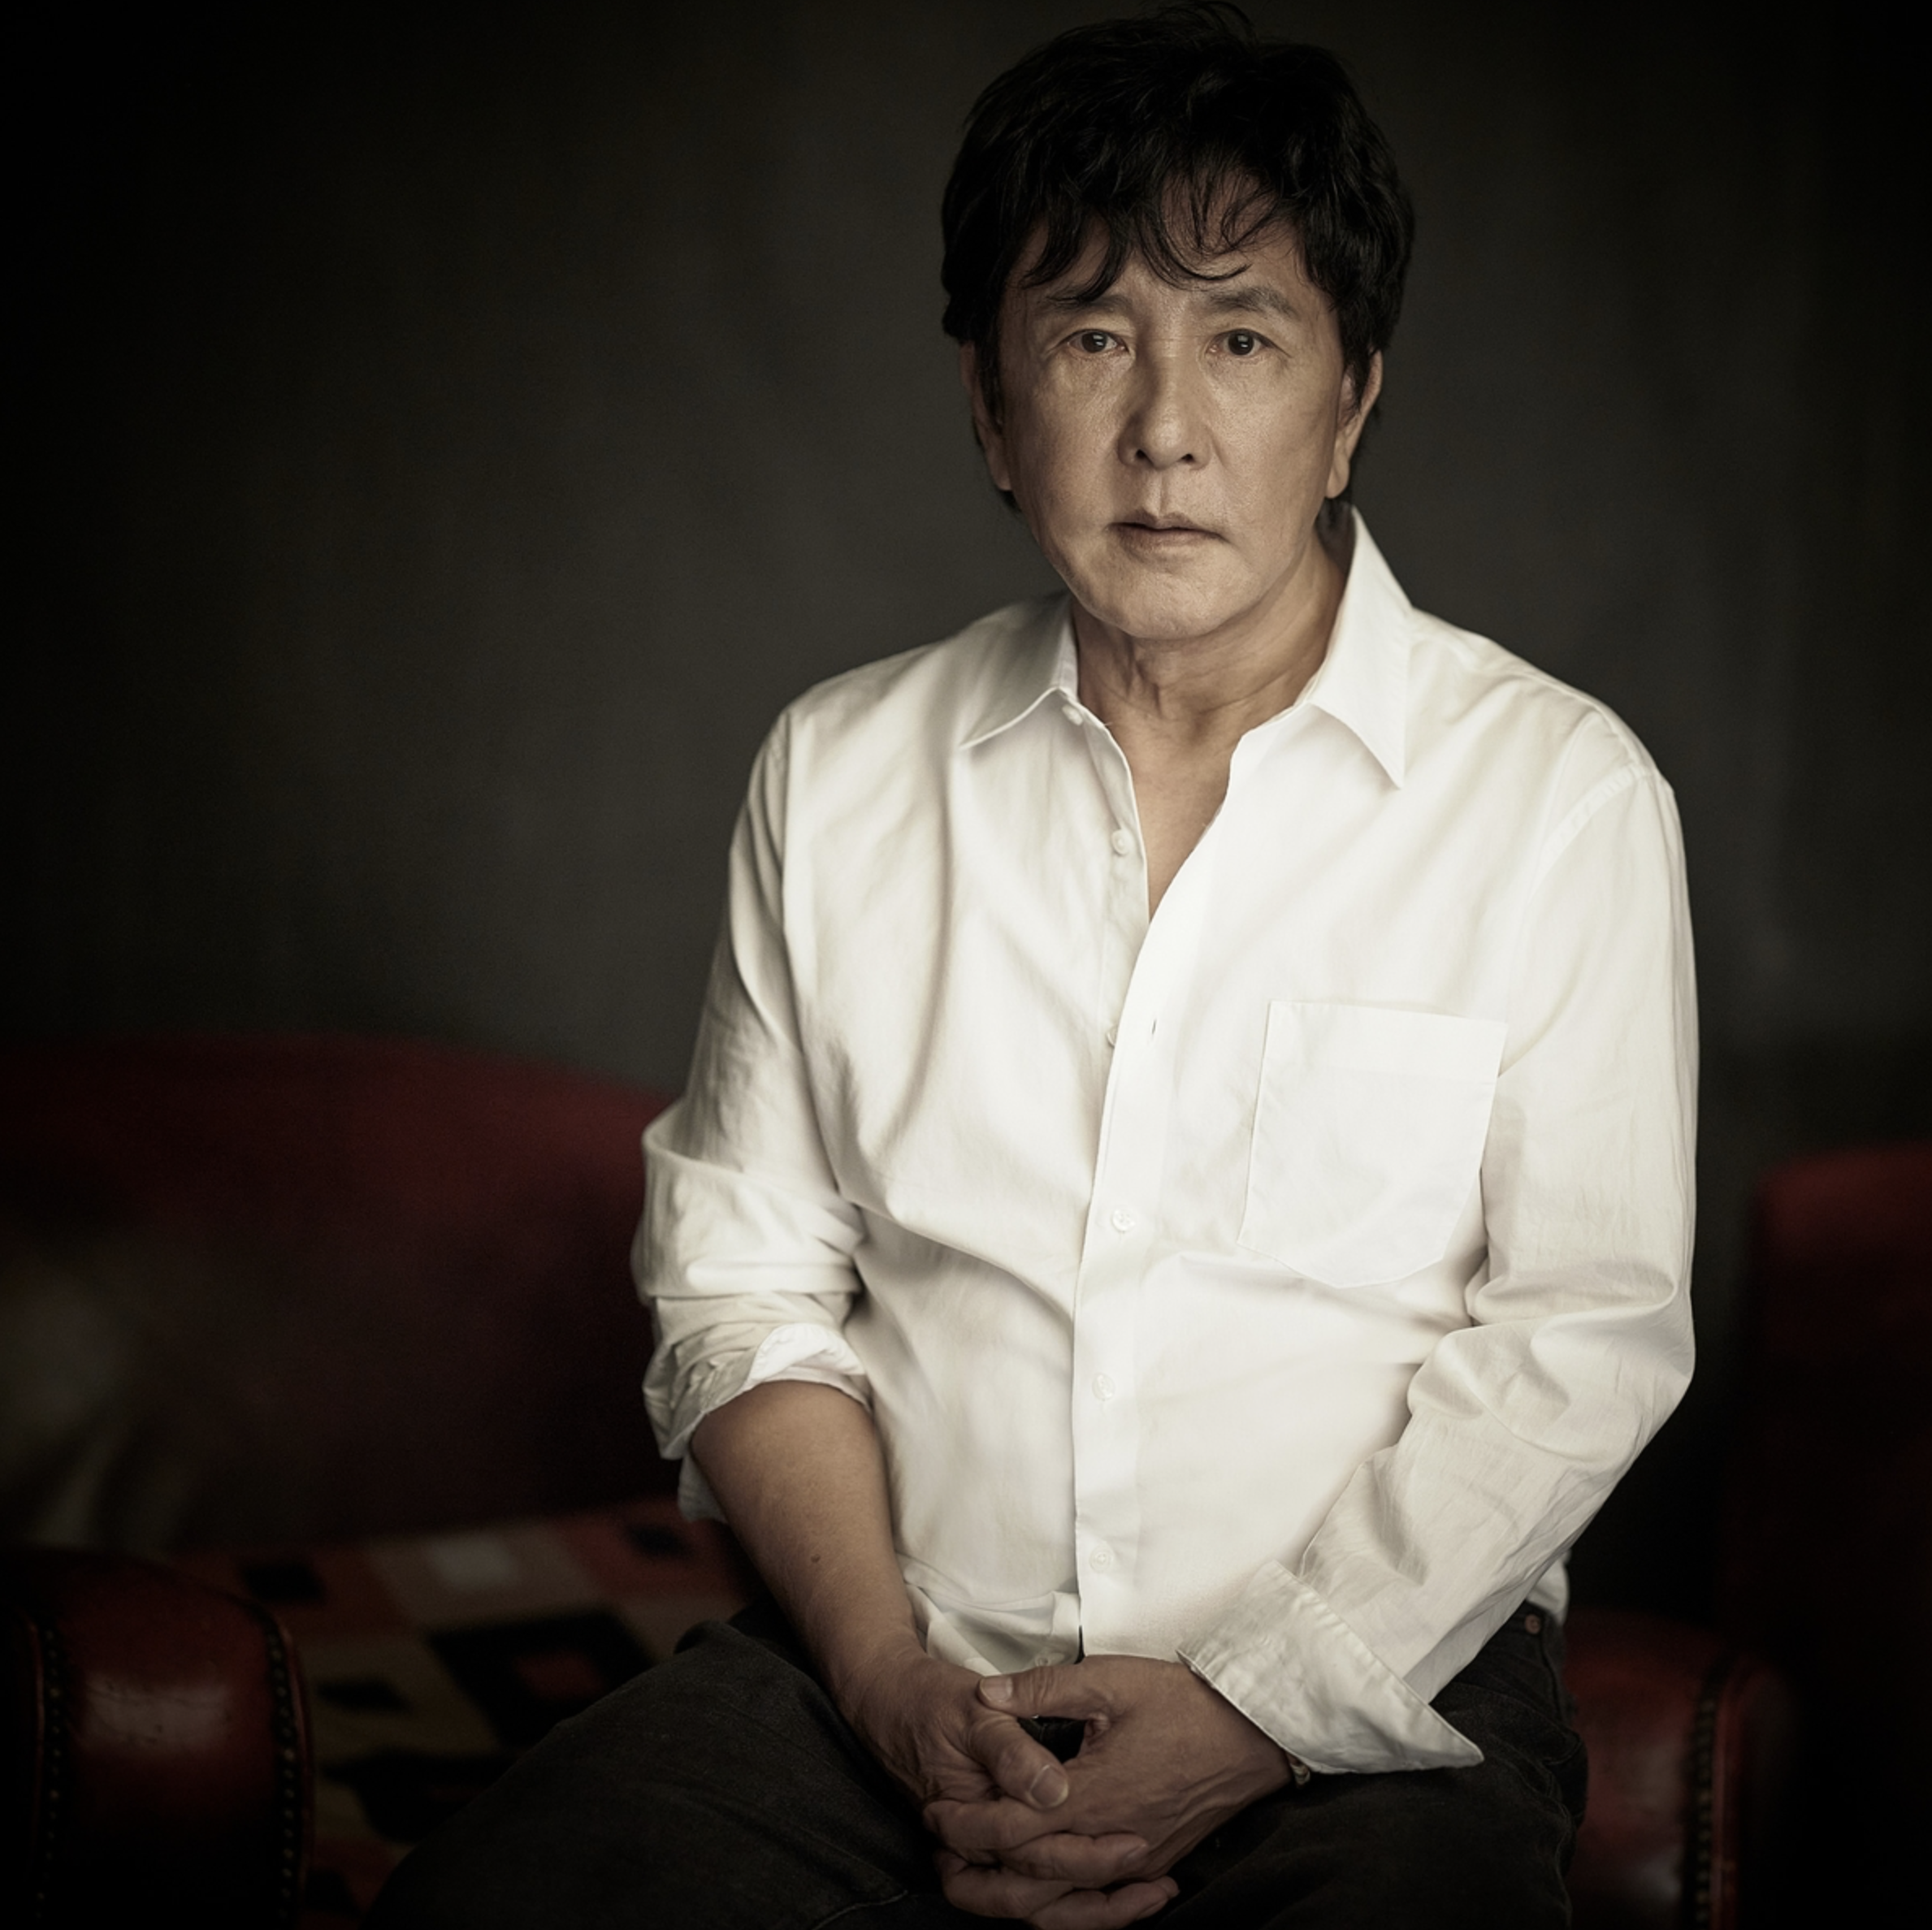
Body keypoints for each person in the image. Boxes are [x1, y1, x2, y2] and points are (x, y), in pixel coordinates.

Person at [370, 6, 1694, 1925]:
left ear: (1349, 404)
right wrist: (893, 1689)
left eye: (1242, 340)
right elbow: (741, 1289)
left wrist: (1250, 1708)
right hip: (902, 1676)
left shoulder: (1558, 799)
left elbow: (1579, 1334)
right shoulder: (838, 775)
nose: (1164, 430)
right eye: (1089, 339)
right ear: (991, 411)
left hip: (1375, 1698)